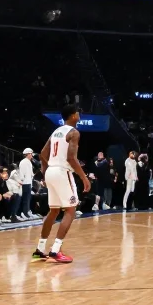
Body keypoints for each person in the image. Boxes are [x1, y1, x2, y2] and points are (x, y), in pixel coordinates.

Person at [35, 106, 91, 262]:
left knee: (53, 211)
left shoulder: (56, 131)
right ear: (73, 116)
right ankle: (55, 250)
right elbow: (71, 158)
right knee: (71, 210)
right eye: (78, 113)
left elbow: (42, 154)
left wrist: (45, 174)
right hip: (62, 172)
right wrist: (84, 178)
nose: (79, 115)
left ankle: (40, 249)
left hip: (51, 171)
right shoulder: (74, 132)